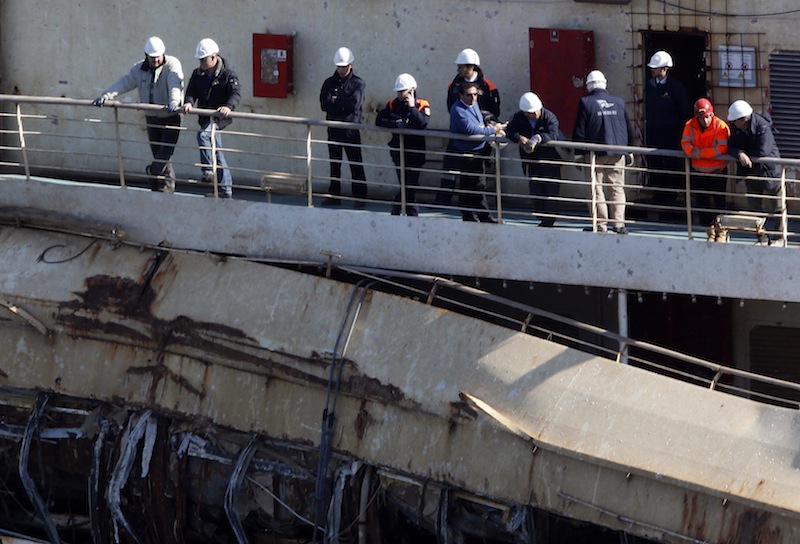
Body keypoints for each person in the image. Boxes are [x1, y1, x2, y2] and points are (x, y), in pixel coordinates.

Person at [93, 36, 183, 193]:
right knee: (158, 154)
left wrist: (174, 101)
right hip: (151, 117)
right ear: (146, 55)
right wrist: (106, 95)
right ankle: (163, 187)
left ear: (163, 54)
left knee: (165, 153)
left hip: (170, 116)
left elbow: (175, 82)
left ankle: (154, 175)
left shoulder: (172, 64)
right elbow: (125, 82)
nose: (154, 60)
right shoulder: (140, 69)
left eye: (157, 57)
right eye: (151, 57)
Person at [572, 70, 634, 234]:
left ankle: (600, 225)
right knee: (617, 188)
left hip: (594, 154)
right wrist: (630, 151)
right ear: (604, 84)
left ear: (589, 86)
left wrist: (578, 154)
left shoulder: (586, 102)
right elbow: (629, 128)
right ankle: (619, 225)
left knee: (595, 189)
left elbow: (579, 131)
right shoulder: (618, 102)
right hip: (618, 152)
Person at [437, 48, 501, 205]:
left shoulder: (488, 87)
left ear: (471, 67)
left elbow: (494, 110)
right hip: (460, 135)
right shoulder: (454, 85)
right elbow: (451, 107)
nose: (458, 69)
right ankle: (443, 202)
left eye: (461, 66)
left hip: (480, 139)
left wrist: (485, 122)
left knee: (479, 175)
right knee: (450, 168)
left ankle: (481, 206)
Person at [182, 38, 241, 199]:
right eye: (200, 59)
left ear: (213, 58)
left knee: (204, 136)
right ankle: (225, 189)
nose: (200, 62)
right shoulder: (198, 74)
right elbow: (191, 91)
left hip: (218, 118)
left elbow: (235, 93)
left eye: (203, 59)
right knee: (217, 153)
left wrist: (228, 107)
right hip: (206, 117)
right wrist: (188, 103)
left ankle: (208, 170)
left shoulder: (228, 74)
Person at [727, 99, 784, 245]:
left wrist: (744, 153)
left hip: (769, 171)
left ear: (743, 119)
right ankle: (762, 238)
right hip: (751, 171)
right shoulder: (735, 128)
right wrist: (739, 153)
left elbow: (762, 151)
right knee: (754, 207)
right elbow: (730, 146)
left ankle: (779, 238)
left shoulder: (762, 126)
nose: (732, 123)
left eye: (734, 120)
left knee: (777, 208)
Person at [449, 81, 506, 223]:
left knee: (473, 185)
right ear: (461, 95)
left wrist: (488, 126)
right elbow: (471, 130)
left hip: (478, 151)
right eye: (469, 95)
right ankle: (477, 216)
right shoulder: (458, 110)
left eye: (475, 94)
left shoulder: (473, 105)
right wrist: (494, 129)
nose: (473, 98)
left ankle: (472, 215)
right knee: (473, 185)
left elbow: (478, 125)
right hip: (467, 153)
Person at [375, 73, 431, 216]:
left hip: (416, 152)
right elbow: (379, 120)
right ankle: (411, 213)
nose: (400, 94)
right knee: (406, 183)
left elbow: (422, 124)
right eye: (399, 91)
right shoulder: (392, 105)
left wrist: (412, 108)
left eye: (403, 91)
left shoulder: (422, 105)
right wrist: (396, 125)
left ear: (412, 90)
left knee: (410, 184)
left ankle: (398, 205)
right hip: (398, 150)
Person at [644, 50, 691, 220]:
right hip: (654, 134)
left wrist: (679, 133)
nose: (652, 71)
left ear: (664, 69)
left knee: (672, 167)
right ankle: (658, 195)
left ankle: (671, 198)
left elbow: (683, 111)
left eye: (655, 68)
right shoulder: (650, 86)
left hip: (671, 135)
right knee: (655, 165)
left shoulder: (676, 88)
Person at [319, 47, 367, 207]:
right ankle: (334, 195)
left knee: (355, 163)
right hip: (333, 128)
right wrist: (341, 103)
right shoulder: (329, 82)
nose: (341, 69)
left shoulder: (358, 83)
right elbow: (324, 104)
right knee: (335, 163)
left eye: (344, 66)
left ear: (350, 65)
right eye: (339, 66)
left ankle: (360, 197)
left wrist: (336, 101)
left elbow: (354, 104)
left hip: (350, 131)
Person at [506, 92, 563, 227]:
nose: (535, 114)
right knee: (536, 190)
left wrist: (538, 138)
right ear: (525, 113)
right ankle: (540, 214)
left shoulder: (549, 117)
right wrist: (519, 137)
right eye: (531, 112)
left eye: (536, 111)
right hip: (532, 161)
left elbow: (553, 133)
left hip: (550, 161)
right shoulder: (519, 118)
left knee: (551, 191)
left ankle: (548, 221)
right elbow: (510, 131)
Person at [680, 98, 731, 227]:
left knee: (720, 204)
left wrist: (700, 153)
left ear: (712, 114)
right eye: (702, 118)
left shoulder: (721, 126)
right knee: (701, 204)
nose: (705, 120)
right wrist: (692, 151)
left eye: (707, 117)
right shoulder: (689, 125)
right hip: (698, 172)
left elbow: (722, 148)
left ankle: (720, 232)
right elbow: (685, 143)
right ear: (696, 117)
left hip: (717, 172)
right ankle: (708, 231)